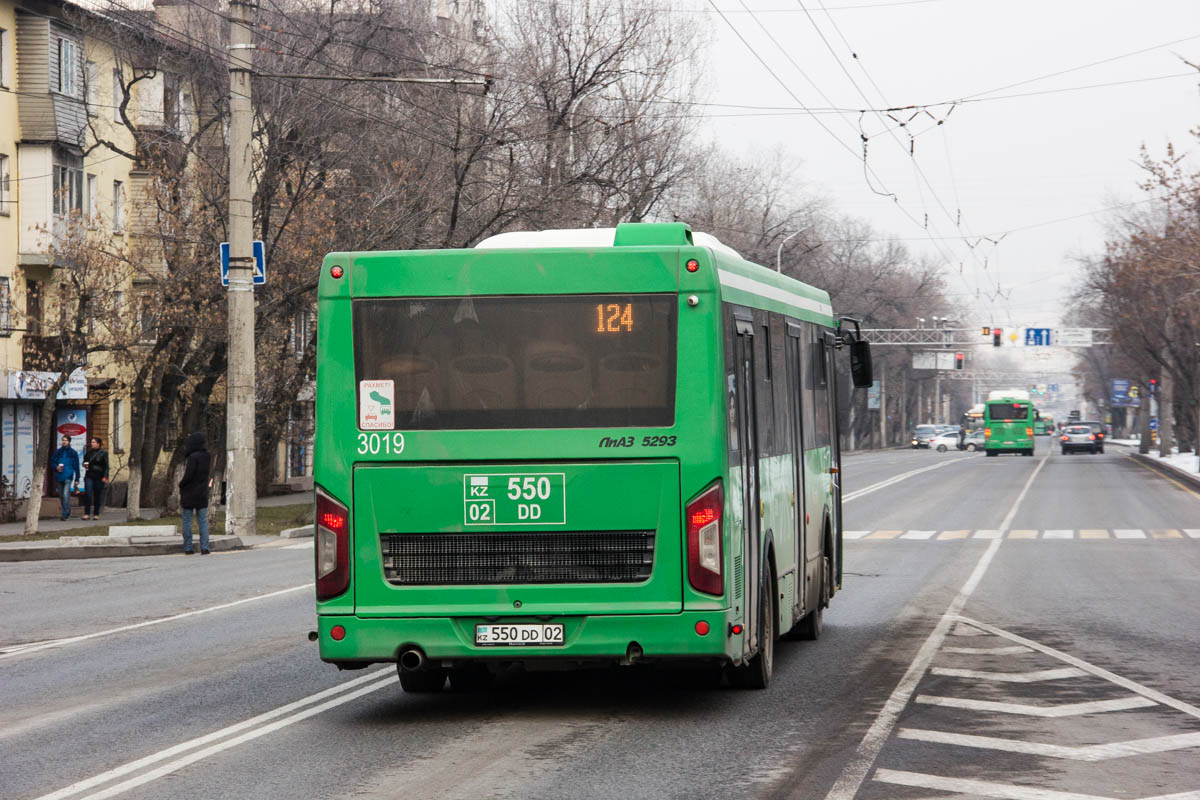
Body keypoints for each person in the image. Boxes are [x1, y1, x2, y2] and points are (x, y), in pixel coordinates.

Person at [178, 431, 212, 555]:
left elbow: (189, 475)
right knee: (202, 520)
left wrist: (181, 484)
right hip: (202, 492)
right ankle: (205, 547)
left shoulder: (193, 457)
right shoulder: (207, 456)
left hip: (189, 493)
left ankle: (188, 547)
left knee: (187, 520)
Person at [51, 434, 81, 520]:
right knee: (61, 495)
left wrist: (77, 478)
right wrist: (56, 467)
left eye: (66, 440)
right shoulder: (58, 452)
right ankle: (67, 510)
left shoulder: (73, 453)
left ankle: (65, 513)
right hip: (59, 476)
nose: (64, 442)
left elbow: (76, 466)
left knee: (66, 494)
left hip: (68, 475)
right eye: (63, 440)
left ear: (69, 442)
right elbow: (52, 462)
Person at [81, 436, 109, 520]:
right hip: (89, 475)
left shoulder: (103, 453)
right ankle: (86, 513)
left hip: (99, 477)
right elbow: (84, 461)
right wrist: (84, 465)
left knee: (97, 495)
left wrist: (105, 477)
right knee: (88, 494)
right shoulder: (89, 453)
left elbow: (106, 466)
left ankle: (96, 514)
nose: (92, 444)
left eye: (94, 442)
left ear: (98, 444)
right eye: (91, 442)